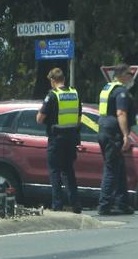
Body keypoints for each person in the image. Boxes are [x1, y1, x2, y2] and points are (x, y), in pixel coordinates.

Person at [36, 68, 82, 214]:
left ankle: (58, 205)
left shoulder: (53, 95)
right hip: (71, 139)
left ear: (53, 81)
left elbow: (39, 119)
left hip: (57, 139)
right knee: (69, 171)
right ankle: (75, 204)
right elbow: (79, 118)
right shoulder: (75, 94)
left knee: (55, 171)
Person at [97, 63, 137, 215]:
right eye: (129, 74)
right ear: (121, 75)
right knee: (112, 169)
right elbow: (121, 113)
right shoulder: (120, 92)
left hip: (104, 131)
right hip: (113, 134)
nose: (131, 77)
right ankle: (104, 205)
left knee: (119, 169)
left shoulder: (107, 88)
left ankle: (122, 203)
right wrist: (126, 135)